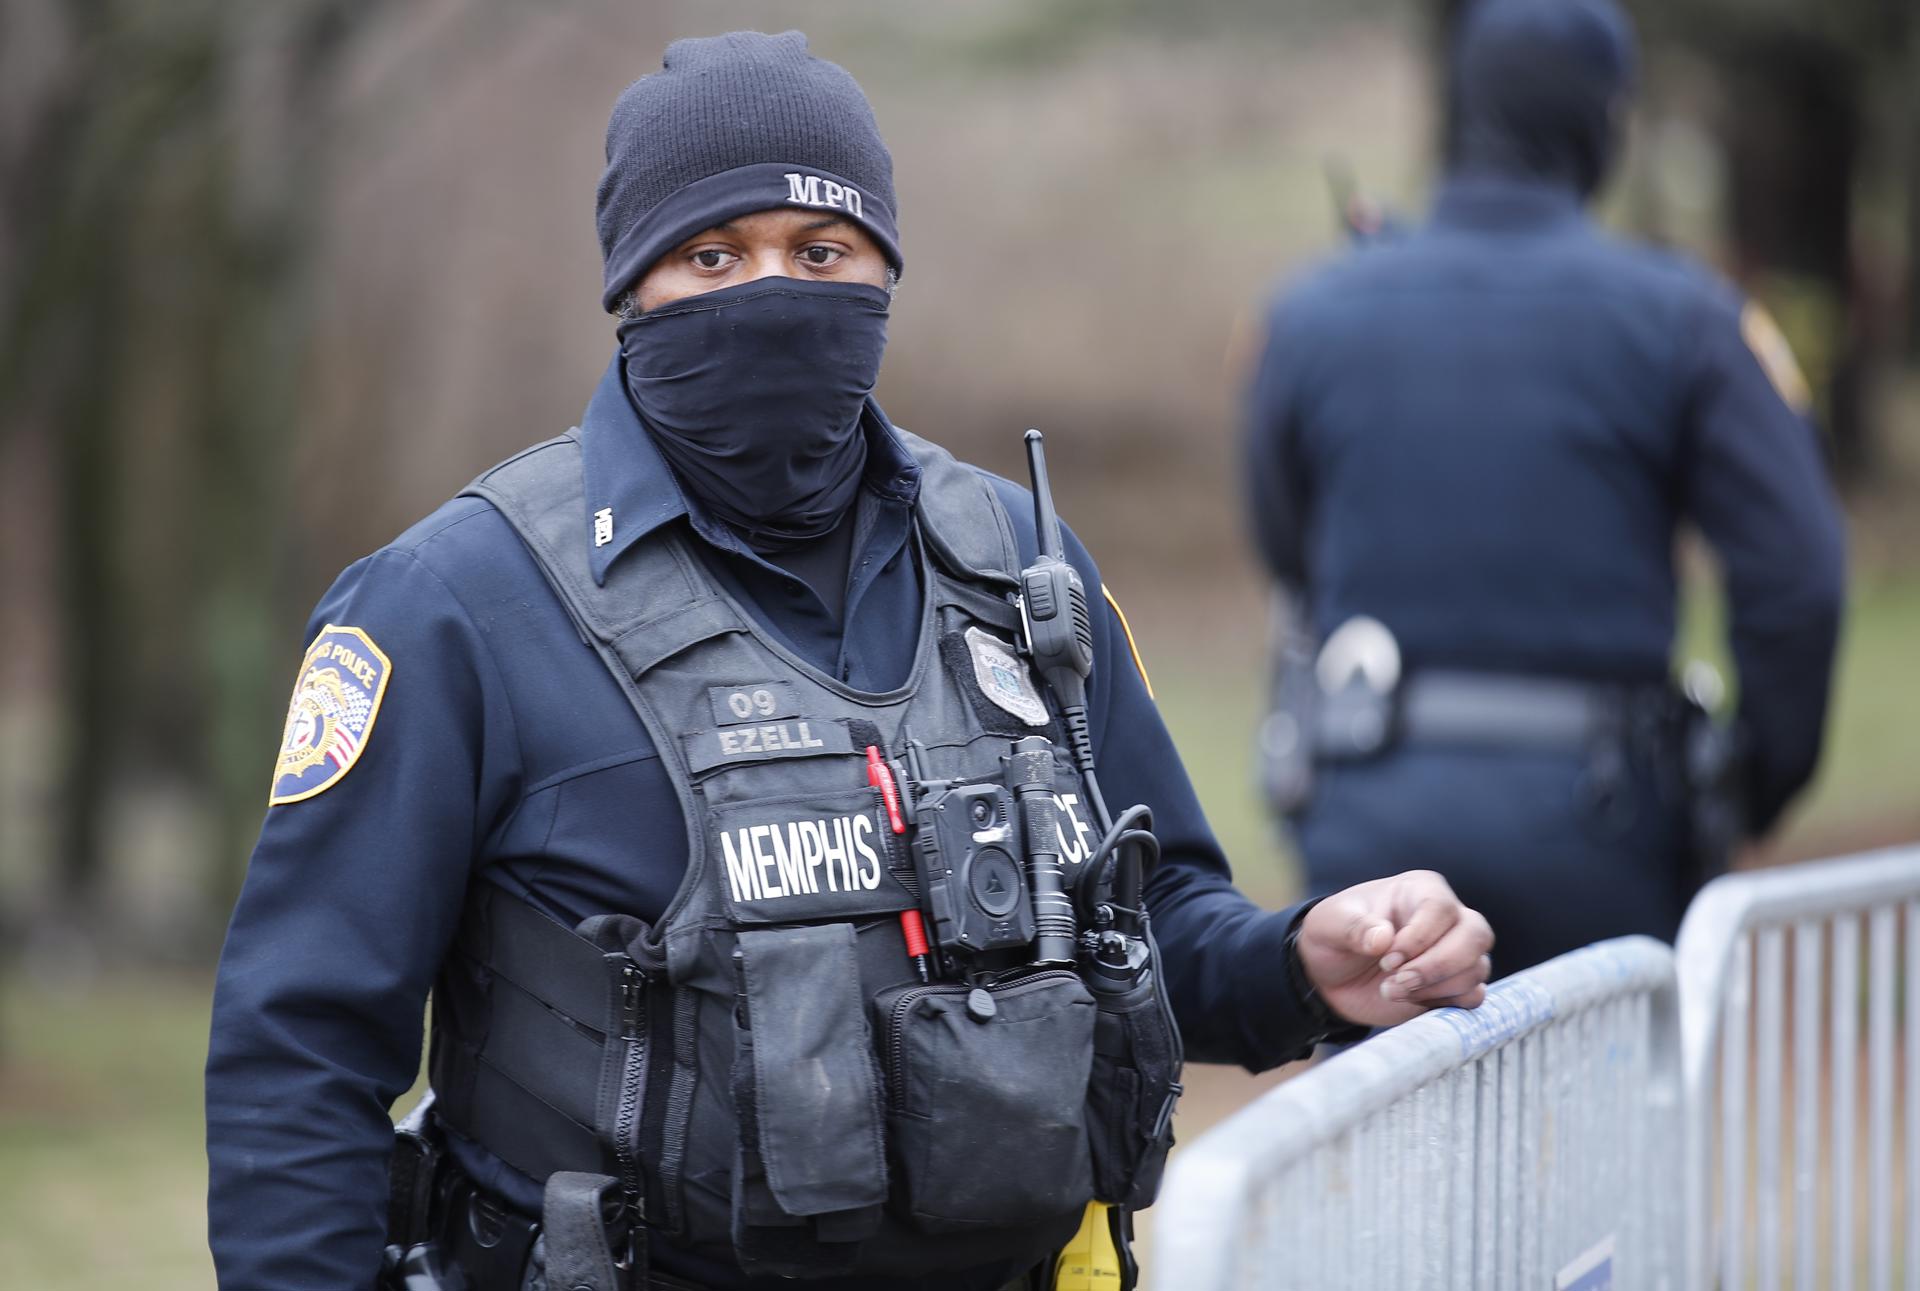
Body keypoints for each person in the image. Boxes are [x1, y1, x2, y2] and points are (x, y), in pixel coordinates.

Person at [206, 30, 1494, 1291]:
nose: (772, 291)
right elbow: (299, 1052)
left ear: (884, 268)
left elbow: (1152, 927)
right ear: (630, 290)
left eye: (820, 251)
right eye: (712, 256)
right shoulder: (453, 607)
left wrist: (1302, 962)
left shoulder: (1024, 570)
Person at [1243, 0, 1846, 978]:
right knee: (1603, 1128)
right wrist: (1747, 788)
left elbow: (1284, 543)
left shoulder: (1312, 314)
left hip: (1370, 827)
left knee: (1386, 1126)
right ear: (1605, 124)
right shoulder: (1683, 321)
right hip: (1602, 829)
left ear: (1464, 108)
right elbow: (1799, 578)